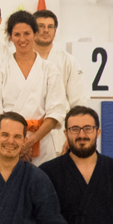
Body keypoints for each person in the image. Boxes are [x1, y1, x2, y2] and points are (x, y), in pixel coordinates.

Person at [0, 10, 67, 166]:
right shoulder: (0, 70)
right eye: (17, 34)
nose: (22, 39)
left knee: (39, 185)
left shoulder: (50, 69)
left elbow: (55, 112)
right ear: (10, 37)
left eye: (27, 33)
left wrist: (31, 141)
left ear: (35, 34)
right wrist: (16, 142)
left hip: (41, 142)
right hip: (7, 144)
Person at [33, 10, 87, 152]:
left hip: (59, 134)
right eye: (41, 26)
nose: (46, 30)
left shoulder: (68, 61)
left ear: (55, 31)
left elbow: (79, 102)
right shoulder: (22, 59)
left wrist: (74, 135)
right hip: (28, 131)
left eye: (50, 27)